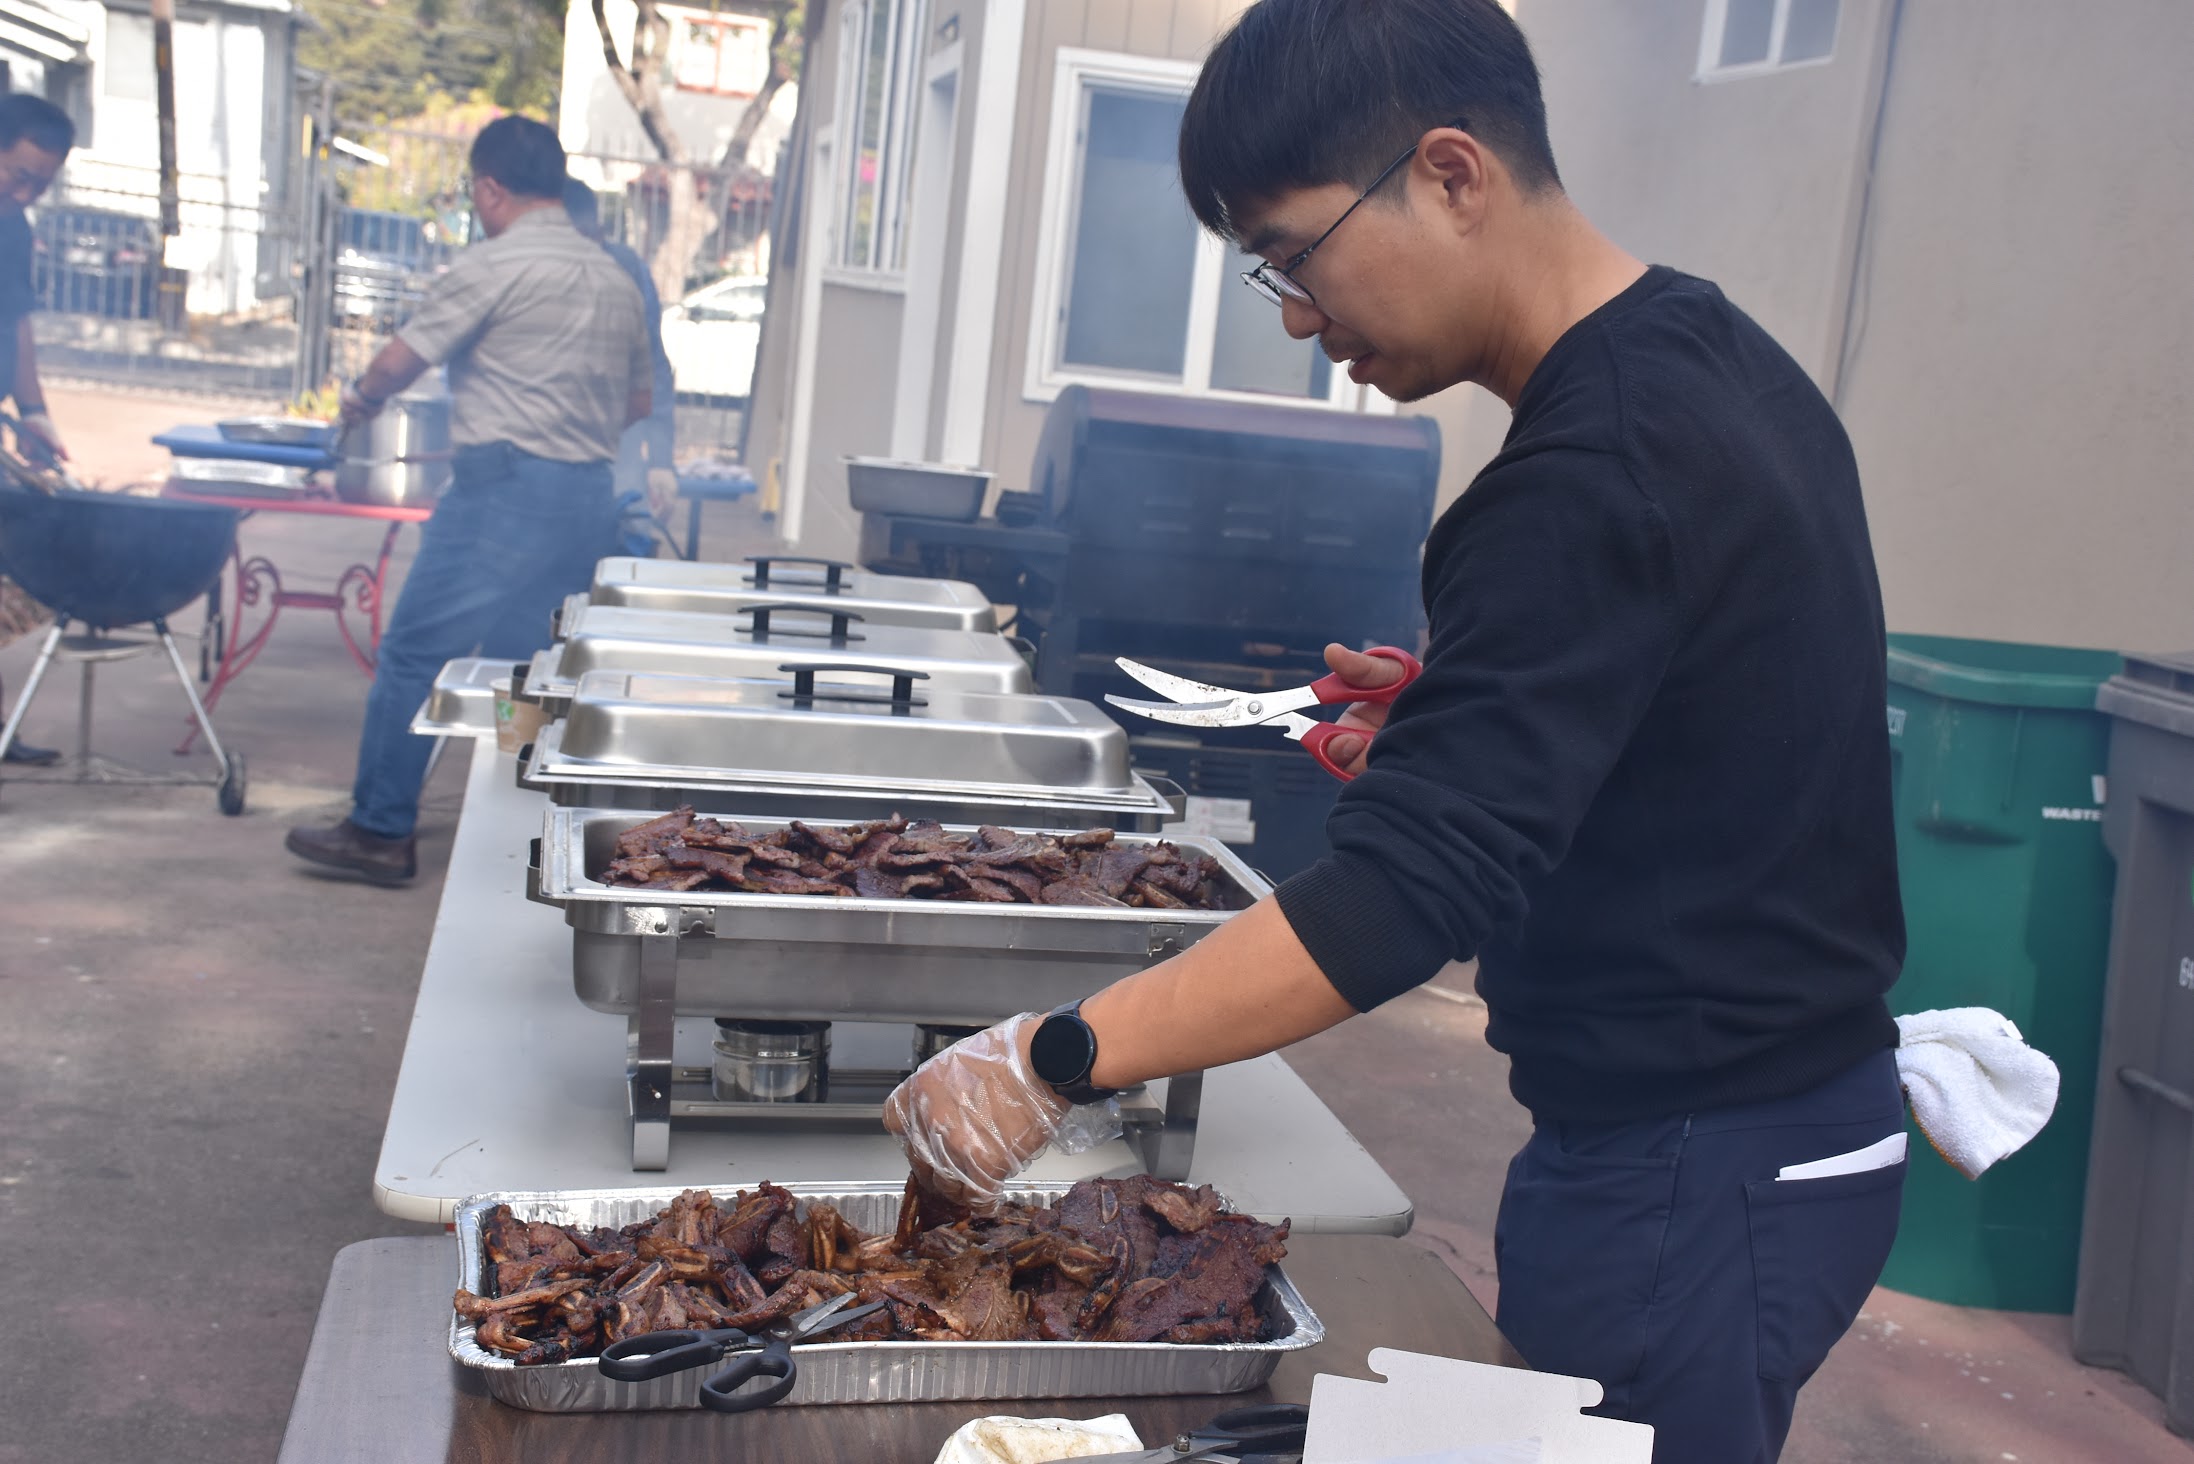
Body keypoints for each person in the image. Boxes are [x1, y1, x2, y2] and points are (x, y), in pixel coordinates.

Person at [882, 3, 1906, 1460]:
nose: (1296, 316)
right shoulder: (1709, 355)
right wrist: (1472, 732)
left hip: (1698, 1166)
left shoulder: (1586, 471)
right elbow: (1729, 724)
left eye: (1294, 256)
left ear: (1449, 174)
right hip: (1764, 1131)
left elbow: (1393, 906)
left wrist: (1047, 1058)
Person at [286, 116, 650, 885]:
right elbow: (638, 402)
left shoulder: (495, 265)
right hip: (584, 496)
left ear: (491, 188)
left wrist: (355, 403)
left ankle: (380, 828)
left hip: (501, 496)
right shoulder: (616, 278)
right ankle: (514, 829)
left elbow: (396, 363)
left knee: (417, 652)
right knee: (530, 666)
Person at [0, 94, 77, 766]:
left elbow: (17, 324)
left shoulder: (15, 228)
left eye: (41, 184)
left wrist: (33, 415)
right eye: (18, 174)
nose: (25, 191)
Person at [561, 178, 678, 529]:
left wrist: (660, 462)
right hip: (544, 455)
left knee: (632, 537)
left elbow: (655, 365)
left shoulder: (628, 269)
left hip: (616, 447)